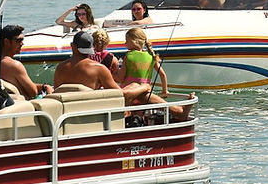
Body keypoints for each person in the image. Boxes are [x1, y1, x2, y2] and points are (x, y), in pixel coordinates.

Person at [53, 32, 194, 120]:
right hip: (92, 114)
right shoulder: (98, 69)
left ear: (72, 46)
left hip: (68, 114)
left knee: (134, 89)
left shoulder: (60, 68)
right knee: (136, 89)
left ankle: (177, 111)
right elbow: (121, 95)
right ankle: (177, 111)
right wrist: (143, 87)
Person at [116, 27, 193, 120]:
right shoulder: (151, 56)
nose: (125, 43)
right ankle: (178, 111)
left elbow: (120, 78)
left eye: (126, 41)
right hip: (144, 92)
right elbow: (162, 74)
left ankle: (179, 111)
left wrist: (111, 74)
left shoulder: (129, 56)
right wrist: (165, 91)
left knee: (127, 111)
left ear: (134, 41)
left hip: (132, 92)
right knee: (146, 104)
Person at [0, 24, 53, 100]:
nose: (22, 43)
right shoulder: (15, 65)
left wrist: (44, 86)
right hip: (23, 104)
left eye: (22, 40)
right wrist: (44, 87)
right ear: (6, 42)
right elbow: (33, 92)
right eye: (18, 40)